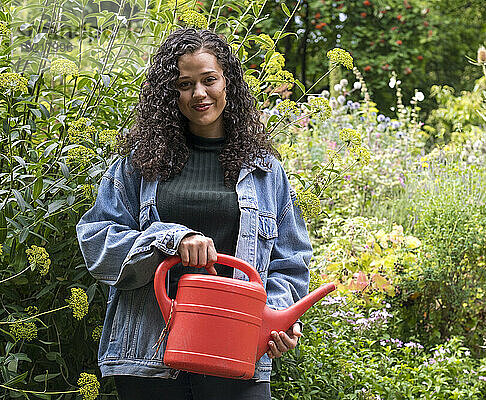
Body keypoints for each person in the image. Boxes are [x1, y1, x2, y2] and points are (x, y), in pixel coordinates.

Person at [76, 28, 312, 400]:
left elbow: (291, 261)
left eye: (209, 80)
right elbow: (97, 240)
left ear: (228, 83)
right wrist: (172, 239)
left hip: (235, 353)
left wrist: (274, 320)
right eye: (185, 84)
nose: (198, 94)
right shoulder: (139, 164)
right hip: (148, 356)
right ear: (171, 94)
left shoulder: (266, 172)